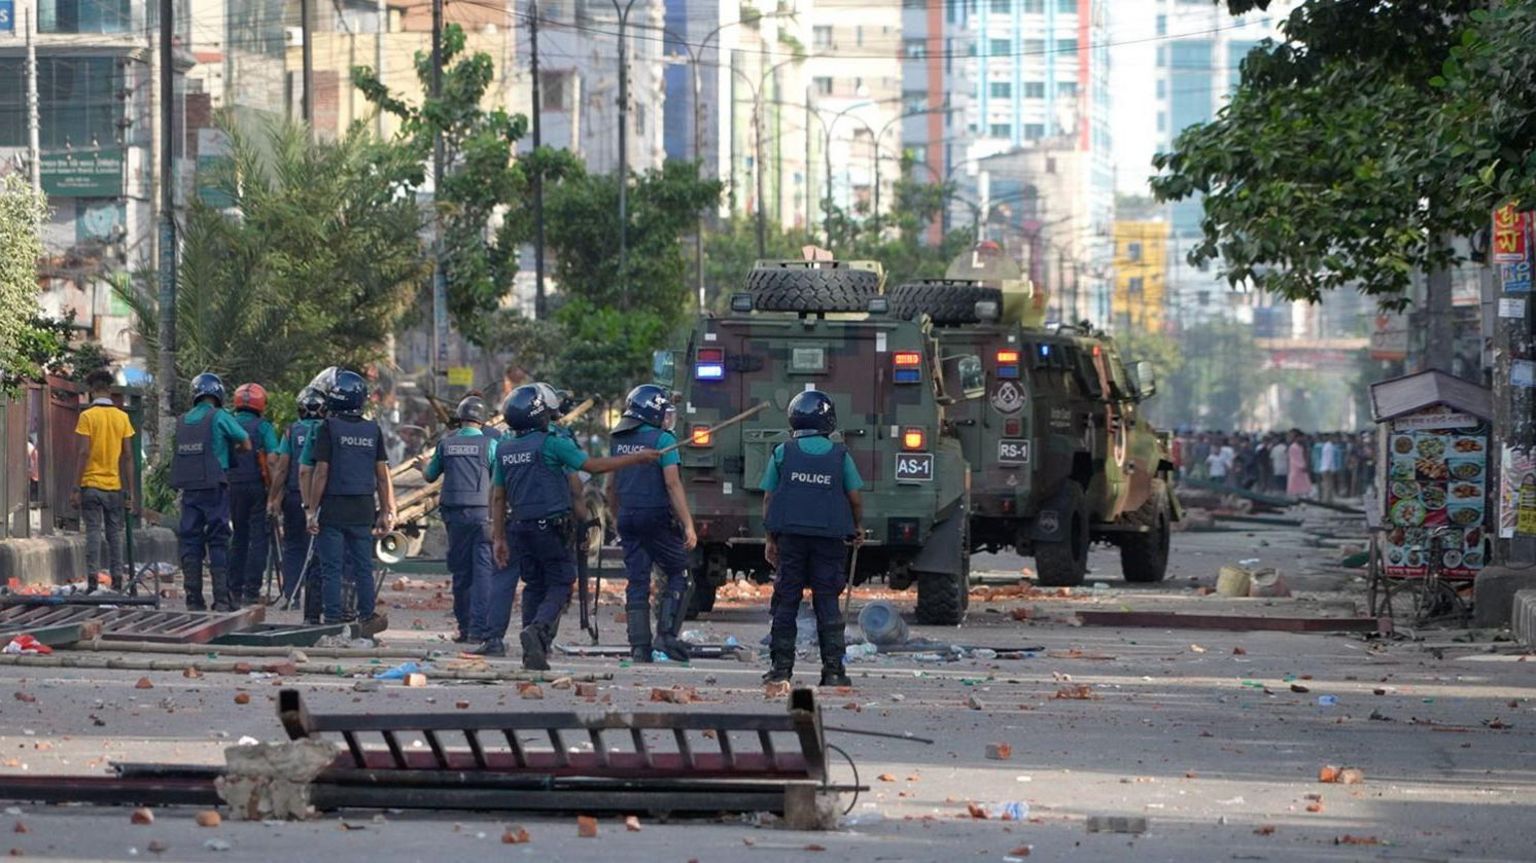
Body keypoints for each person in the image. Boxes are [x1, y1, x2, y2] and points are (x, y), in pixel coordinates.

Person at [490, 385, 658, 670]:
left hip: (519, 527)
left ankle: (533, 649)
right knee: (560, 583)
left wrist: (498, 538)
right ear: (541, 415)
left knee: (534, 585)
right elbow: (590, 467)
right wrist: (638, 458)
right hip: (551, 528)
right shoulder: (553, 443)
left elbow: (497, 496)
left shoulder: (504, 449)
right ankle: (538, 630)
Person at [761, 390, 865, 687]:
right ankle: (834, 671)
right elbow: (854, 497)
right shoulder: (840, 454)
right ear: (828, 419)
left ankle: (781, 670)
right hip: (829, 539)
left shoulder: (783, 452)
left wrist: (770, 538)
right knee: (827, 600)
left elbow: (769, 498)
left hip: (791, 538)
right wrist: (857, 527)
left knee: (786, 601)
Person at [608, 384, 698, 663]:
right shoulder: (663, 440)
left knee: (637, 580)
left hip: (627, 516)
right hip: (655, 516)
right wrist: (688, 524)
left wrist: (616, 519)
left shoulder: (618, 440)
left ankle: (639, 647)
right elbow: (672, 484)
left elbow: (611, 486)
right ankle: (667, 635)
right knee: (680, 572)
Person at [302, 369, 393, 635]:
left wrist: (311, 510)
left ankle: (332, 619)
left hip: (333, 507)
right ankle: (367, 616)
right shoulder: (372, 429)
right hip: (363, 507)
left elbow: (320, 472)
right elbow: (382, 476)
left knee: (332, 567)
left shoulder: (327, 428)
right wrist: (386, 510)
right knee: (364, 566)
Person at [418, 395, 497, 646]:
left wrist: (422, 465)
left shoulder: (446, 443)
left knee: (462, 574)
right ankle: (479, 630)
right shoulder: (491, 444)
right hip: (484, 516)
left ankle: (463, 629)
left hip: (455, 518)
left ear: (460, 418)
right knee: (484, 572)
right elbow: (499, 482)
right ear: (482, 421)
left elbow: (430, 476)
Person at [168, 373, 250, 611]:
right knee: (218, 539)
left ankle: (193, 598)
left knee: (190, 540)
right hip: (215, 488)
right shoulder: (219, 416)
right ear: (218, 394)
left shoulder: (182, 420)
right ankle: (222, 599)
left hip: (190, 489)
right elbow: (245, 442)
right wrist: (229, 449)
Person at [71, 369, 135, 591]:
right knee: (115, 533)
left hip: (90, 485)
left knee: (92, 532)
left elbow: (83, 453)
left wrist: (76, 487)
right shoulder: (122, 418)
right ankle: (117, 579)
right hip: (114, 487)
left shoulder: (87, 416)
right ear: (109, 390)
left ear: (91, 391)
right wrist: (131, 492)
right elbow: (127, 456)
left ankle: (92, 580)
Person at [266, 386, 326, 602]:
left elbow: (282, 468)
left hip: (294, 497)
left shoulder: (292, 431)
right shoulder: (329, 430)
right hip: (323, 501)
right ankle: (317, 598)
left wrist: (273, 498)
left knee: (293, 546)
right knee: (321, 548)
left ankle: (292, 594)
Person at [225, 383, 279, 605]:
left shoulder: (228, 423)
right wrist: (275, 495)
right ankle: (251, 591)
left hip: (232, 486)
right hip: (258, 487)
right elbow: (274, 460)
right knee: (258, 539)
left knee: (238, 536)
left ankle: (233, 588)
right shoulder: (264, 427)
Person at [1287, 429, 1313, 499]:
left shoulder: (1300, 447)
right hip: (1296, 469)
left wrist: (1305, 465)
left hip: (1302, 469)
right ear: (1297, 437)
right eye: (1301, 437)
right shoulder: (1293, 447)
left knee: (1304, 486)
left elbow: (1301, 458)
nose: (1303, 439)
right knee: (1296, 487)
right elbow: (1294, 459)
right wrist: (1301, 466)